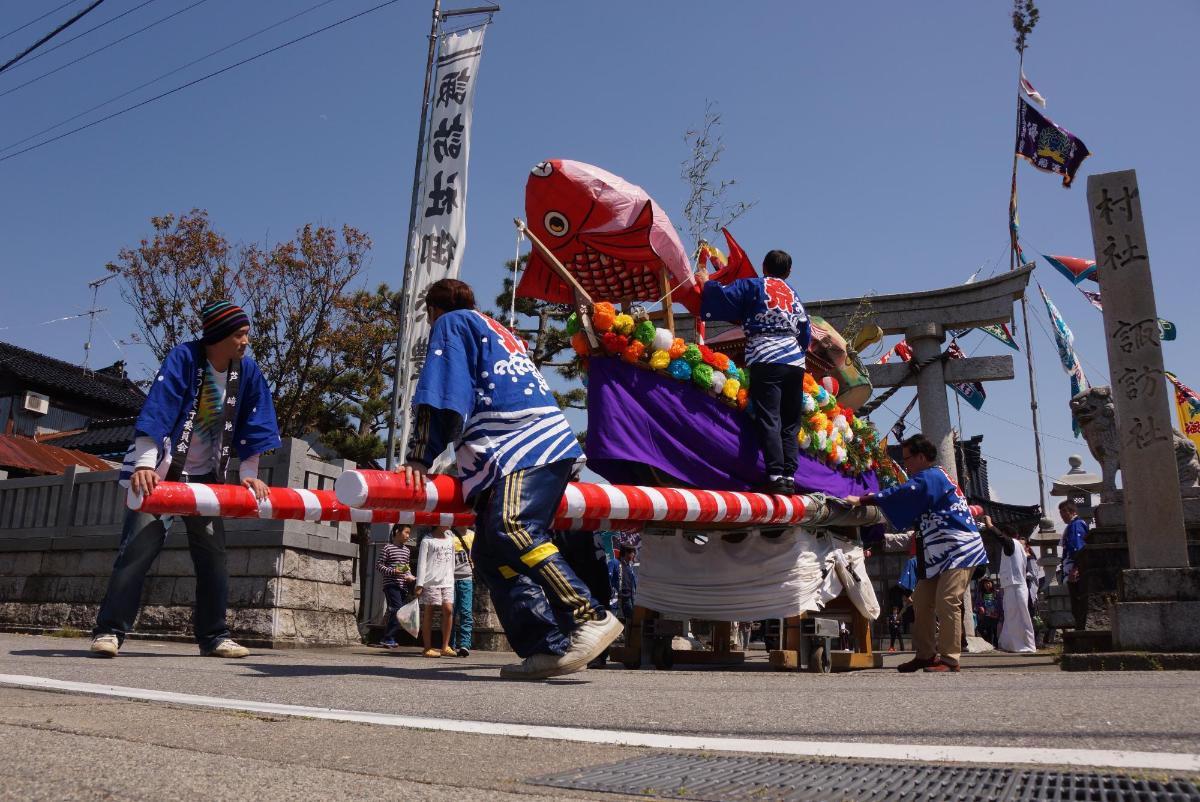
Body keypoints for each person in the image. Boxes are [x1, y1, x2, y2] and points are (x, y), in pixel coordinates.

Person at [398, 278, 621, 680]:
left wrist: (419, 457)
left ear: (432, 311)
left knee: (513, 527)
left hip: (523, 444)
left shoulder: (452, 324)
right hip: (538, 443)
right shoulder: (497, 330)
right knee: (490, 553)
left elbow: (441, 392)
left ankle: (590, 614)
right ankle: (545, 647)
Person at [90, 301, 280, 659]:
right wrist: (145, 464)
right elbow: (159, 406)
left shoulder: (248, 372)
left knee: (213, 556)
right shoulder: (184, 358)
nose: (246, 341)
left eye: (246, 333)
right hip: (162, 474)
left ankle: (214, 635)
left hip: (208, 478)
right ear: (219, 336)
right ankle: (110, 630)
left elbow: (257, 423)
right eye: (239, 334)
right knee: (137, 550)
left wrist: (250, 475)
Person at [847, 434, 988, 673]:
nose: (905, 464)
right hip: (938, 552)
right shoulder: (932, 478)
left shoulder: (933, 476)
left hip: (960, 549)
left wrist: (865, 499)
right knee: (921, 601)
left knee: (947, 601)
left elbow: (905, 493)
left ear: (922, 457)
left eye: (908, 458)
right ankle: (925, 654)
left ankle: (950, 658)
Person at [695, 249, 811, 496]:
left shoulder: (754, 285)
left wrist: (706, 282)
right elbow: (805, 329)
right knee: (790, 420)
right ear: (788, 272)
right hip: (794, 360)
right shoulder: (793, 294)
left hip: (766, 355)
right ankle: (790, 475)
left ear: (764, 267)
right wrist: (796, 352)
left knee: (770, 416)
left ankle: (776, 476)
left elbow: (722, 296)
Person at [415, 527, 456, 658]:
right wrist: (419, 584)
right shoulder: (427, 540)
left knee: (448, 610)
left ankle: (445, 646)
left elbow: (452, 562)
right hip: (431, 580)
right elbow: (421, 563)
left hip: (447, 580)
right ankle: (427, 648)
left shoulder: (451, 537)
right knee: (429, 611)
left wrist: (452, 578)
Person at [374, 524, 416, 649]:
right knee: (397, 609)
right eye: (406, 532)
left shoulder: (407, 550)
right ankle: (388, 638)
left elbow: (406, 567)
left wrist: (410, 576)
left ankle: (388, 637)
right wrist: (393, 571)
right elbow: (379, 565)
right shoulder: (388, 548)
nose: (408, 536)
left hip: (402, 585)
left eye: (409, 533)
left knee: (397, 611)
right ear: (397, 532)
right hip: (391, 584)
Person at [1059, 500, 1089, 630]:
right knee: (1076, 601)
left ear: (1073, 512)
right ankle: (1079, 627)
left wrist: (1076, 568)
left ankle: (1081, 628)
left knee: (1078, 600)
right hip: (1072, 567)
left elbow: (1078, 548)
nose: (1062, 516)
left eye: (1064, 512)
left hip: (1075, 568)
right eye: (1061, 513)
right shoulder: (1072, 526)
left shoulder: (1076, 525)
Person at [449, 526, 475, 657]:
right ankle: (449, 644)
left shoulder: (472, 535)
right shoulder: (448, 534)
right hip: (449, 578)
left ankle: (465, 644)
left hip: (467, 577)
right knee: (450, 612)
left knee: (466, 611)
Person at [609, 546, 638, 622]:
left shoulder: (629, 565)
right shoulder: (614, 562)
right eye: (632, 553)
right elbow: (608, 577)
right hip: (615, 596)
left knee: (629, 619)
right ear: (626, 553)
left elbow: (633, 582)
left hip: (628, 597)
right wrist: (611, 592)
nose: (633, 555)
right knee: (612, 618)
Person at [974, 577, 1002, 646]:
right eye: (985, 583)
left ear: (992, 584)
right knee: (985, 629)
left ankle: (996, 645)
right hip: (986, 616)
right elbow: (977, 604)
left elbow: (1000, 603)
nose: (987, 585)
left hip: (995, 615)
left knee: (995, 631)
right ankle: (989, 643)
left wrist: (998, 612)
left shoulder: (996, 593)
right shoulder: (981, 594)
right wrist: (980, 608)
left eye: (989, 583)